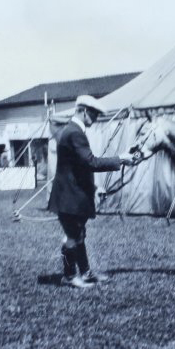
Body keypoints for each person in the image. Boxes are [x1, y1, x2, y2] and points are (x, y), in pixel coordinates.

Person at [47, 95, 135, 288]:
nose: (95, 119)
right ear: (84, 111)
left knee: (79, 234)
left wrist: (94, 187)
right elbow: (90, 162)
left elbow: (76, 168)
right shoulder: (75, 133)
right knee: (72, 237)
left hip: (70, 195)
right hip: (69, 197)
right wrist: (120, 159)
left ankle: (85, 273)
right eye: (94, 114)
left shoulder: (71, 130)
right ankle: (70, 276)